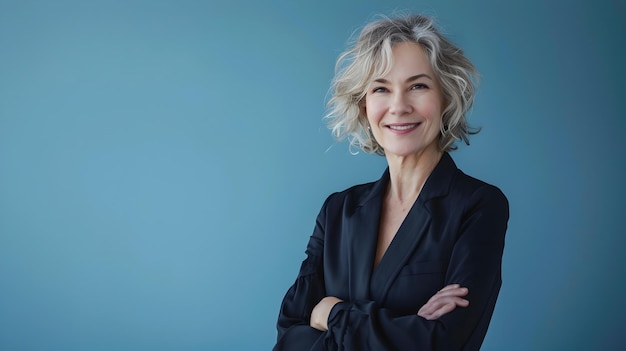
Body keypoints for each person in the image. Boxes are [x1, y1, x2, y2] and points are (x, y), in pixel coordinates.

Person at [273, 13, 509, 351]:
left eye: (418, 86)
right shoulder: (337, 211)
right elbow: (289, 338)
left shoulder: (479, 206)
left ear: (445, 98)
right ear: (363, 104)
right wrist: (404, 330)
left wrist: (332, 313)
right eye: (381, 88)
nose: (398, 106)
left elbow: (442, 343)